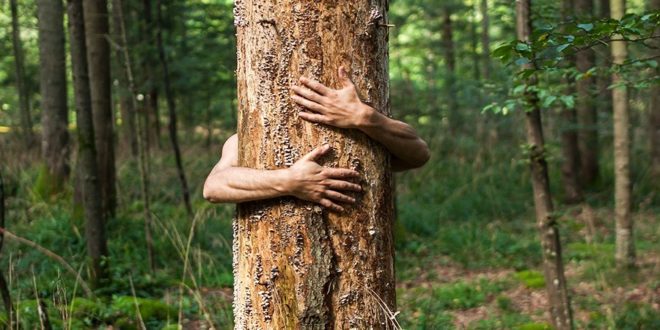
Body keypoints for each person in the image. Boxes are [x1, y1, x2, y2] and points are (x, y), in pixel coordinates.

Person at [203, 67, 430, 212]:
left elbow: (418, 154)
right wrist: (289, 181)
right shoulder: (252, 137)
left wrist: (364, 117)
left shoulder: (362, 128)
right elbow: (214, 187)